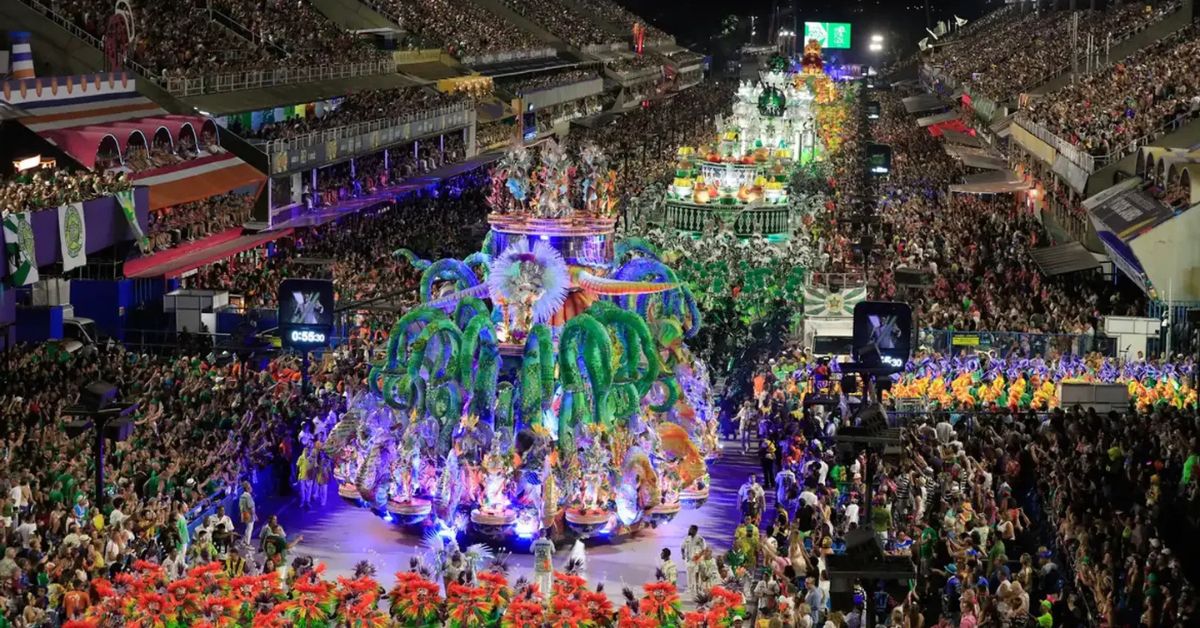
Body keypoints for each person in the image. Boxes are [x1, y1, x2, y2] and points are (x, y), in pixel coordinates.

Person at [532, 530, 555, 601]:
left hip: (538, 565)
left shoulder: (535, 542)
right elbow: (553, 551)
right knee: (547, 581)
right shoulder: (549, 542)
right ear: (545, 534)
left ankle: (537, 597)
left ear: (539, 534)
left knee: (537, 581)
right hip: (546, 564)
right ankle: (547, 597)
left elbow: (531, 550)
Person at [682, 524, 704, 595]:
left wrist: (699, 556)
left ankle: (696, 589)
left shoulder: (700, 539)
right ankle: (689, 588)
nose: (689, 530)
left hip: (697, 560)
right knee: (689, 574)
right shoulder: (687, 538)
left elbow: (704, 549)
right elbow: (682, 547)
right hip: (689, 560)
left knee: (696, 574)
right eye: (689, 529)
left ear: (695, 530)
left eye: (691, 529)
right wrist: (683, 555)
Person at [238, 481, 256, 547]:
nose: (251, 488)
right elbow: (251, 507)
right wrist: (253, 515)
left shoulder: (242, 496)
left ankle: (243, 541)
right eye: (250, 487)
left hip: (244, 513)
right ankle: (247, 543)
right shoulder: (248, 496)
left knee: (247, 528)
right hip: (249, 514)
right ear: (248, 488)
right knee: (249, 529)